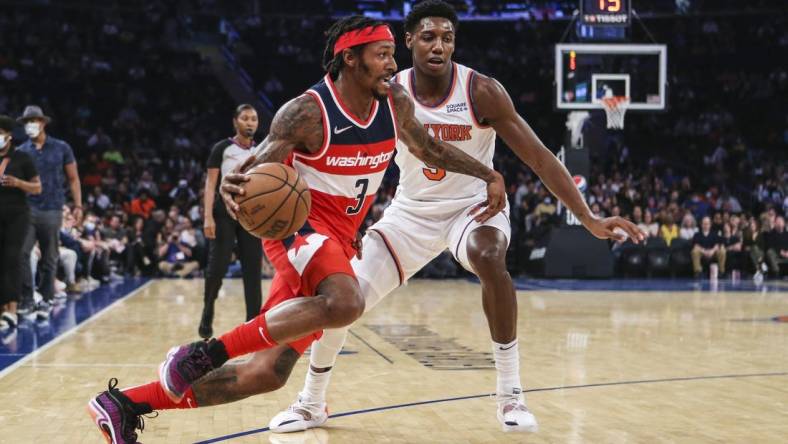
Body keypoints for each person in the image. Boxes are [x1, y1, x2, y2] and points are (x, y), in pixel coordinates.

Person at [88, 16, 509, 443]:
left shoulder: (395, 102)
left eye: (391, 55)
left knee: (266, 373)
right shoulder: (308, 111)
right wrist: (238, 185)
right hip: (297, 226)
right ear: (350, 58)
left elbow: (427, 147)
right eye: (381, 55)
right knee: (346, 303)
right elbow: (261, 165)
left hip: (339, 236)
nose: (391, 65)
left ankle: (125, 404)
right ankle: (201, 353)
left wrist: (485, 174)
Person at [269, 1, 644, 434]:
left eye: (447, 38)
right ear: (407, 42)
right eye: (428, 37)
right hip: (409, 214)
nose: (438, 46)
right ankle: (311, 402)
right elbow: (361, 164)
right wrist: (347, 227)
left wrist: (589, 217)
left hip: (472, 208)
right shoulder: (384, 90)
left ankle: (510, 395)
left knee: (489, 255)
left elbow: (540, 158)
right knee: (341, 301)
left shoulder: (481, 90)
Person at [200, 104, 263, 338]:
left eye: (254, 119)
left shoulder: (262, 150)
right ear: (235, 121)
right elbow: (210, 184)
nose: (250, 123)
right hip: (224, 210)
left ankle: (253, 323)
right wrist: (207, 216)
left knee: (252, 270)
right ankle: (207, 313)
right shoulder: (222, 148)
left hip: (252, 212)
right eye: (245, 118)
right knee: (217, 269)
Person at [17, 105, 82, 318]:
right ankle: (27, 299)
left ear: (43, 122)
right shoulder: (21, 152)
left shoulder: (61, 147)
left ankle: (46, 298)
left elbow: (73, 178)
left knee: (50, 256)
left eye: (33, 121)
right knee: (22, 253)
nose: (29, 125)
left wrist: (78, 205)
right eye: (26, 122)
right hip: (27, 209)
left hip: (53, 208)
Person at [0, 115, 41, 330]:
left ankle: (12, 309)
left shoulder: (22, 158)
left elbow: (37, 187)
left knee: (12, 259)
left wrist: (18, 183)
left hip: (17, 215)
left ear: (8, 135)